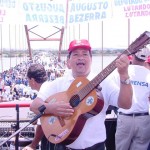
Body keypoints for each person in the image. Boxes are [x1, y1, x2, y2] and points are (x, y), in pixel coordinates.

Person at [30, 39, 132, 150]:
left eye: (85, 54)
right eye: (75, 54)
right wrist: (51, 108)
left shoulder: (105, 83)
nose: (80, 57)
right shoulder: (58, 83)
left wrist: (124, 75)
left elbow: (126, 104)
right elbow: (34, 105)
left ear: (91, 59)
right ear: (68, 61)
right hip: (63, 147)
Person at [114, 47, 150, 150]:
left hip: (125, 118)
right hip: (144, 119)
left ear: (133, 55)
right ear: (146, 58)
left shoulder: (122, 71)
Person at [23, 63, 52, 150]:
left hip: (51, 139)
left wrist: (33, 145)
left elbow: (43, 124)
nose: (28, 83)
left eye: (28, 80)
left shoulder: (44, 92)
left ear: (32, 80)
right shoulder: (49, 86)